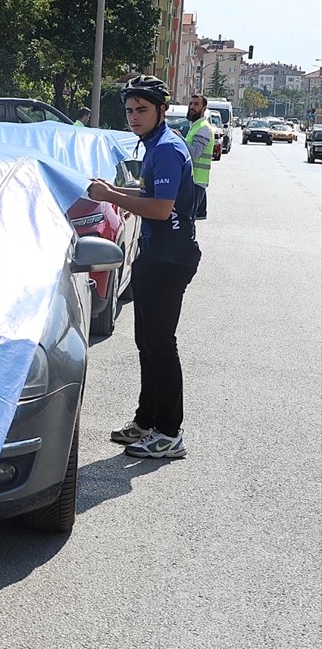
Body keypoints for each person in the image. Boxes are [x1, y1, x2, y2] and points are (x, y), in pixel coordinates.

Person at [87, 75, 200, 460]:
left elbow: (160, 208)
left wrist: (112, 195)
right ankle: (147, 421)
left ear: (161, 111)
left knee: (161, 346)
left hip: (171, 258)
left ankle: (169, 433)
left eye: (142, 110)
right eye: (130, 110)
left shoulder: (167, 148)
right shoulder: (154, 144)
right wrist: (114, 191)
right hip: (155, 254)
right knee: (146, 344)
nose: (134, 117)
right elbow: (150, 194)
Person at [184, 92, 215, 220]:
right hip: (191, 181)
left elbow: (195, 153)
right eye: (190, 103)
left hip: (196, 181)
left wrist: (179, 139)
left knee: (187, 220)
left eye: (196, 104)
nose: (192, 106)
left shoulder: (203, 128)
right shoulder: (195, 126)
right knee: (186, 220)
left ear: (204, 109)